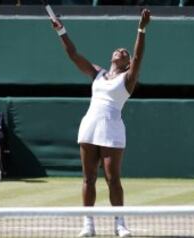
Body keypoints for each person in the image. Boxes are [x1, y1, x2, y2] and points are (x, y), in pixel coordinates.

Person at [51, 8, 150, 237]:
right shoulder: (97, 73)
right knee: (88, 178)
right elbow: (73, 54)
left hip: (112, 129)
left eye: (125, 52)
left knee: (112, 178)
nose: (121, 51)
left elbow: (139, 56)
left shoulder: (128, 78)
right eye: (118, 50)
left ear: (127, 64)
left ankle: (120, 224)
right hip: (90, 126)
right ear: (112, 58)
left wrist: (141, 29)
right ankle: (88, 225)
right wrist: (61, 31)